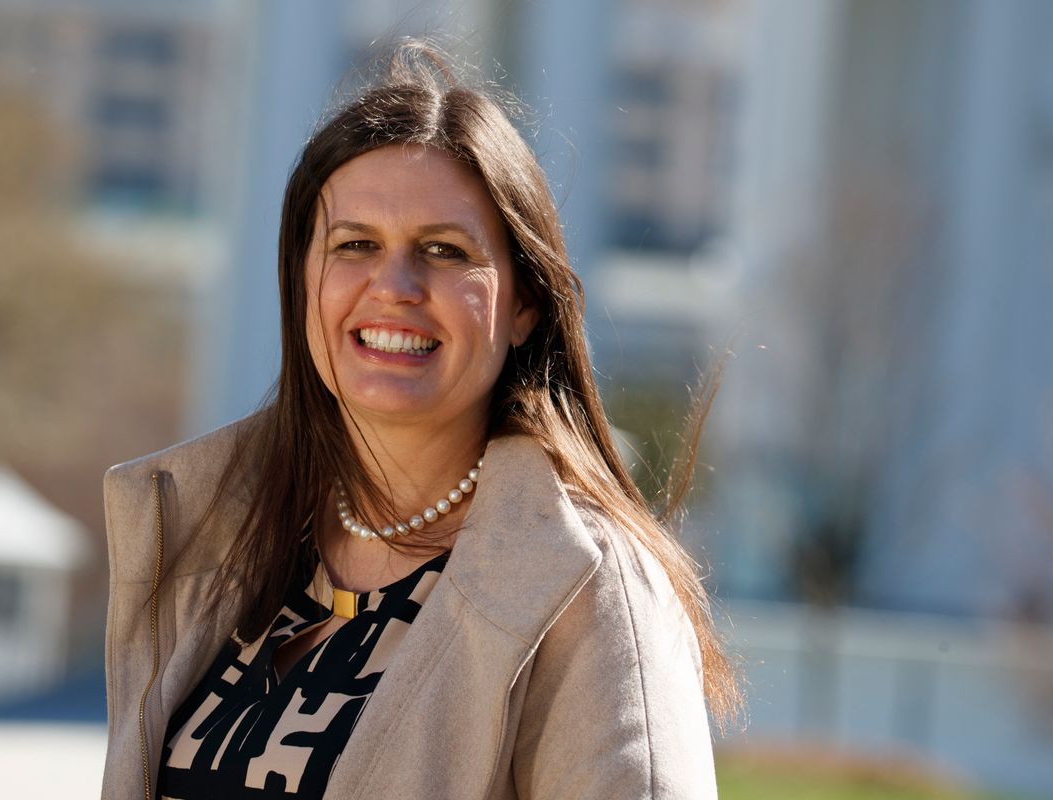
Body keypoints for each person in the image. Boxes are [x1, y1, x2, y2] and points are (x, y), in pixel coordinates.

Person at [101, 40, 741, 800]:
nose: (394, 285)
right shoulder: (222, 534)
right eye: (356, 245)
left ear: (525, 305)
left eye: (443, 250)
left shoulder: (589, 589)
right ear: (303, 284)